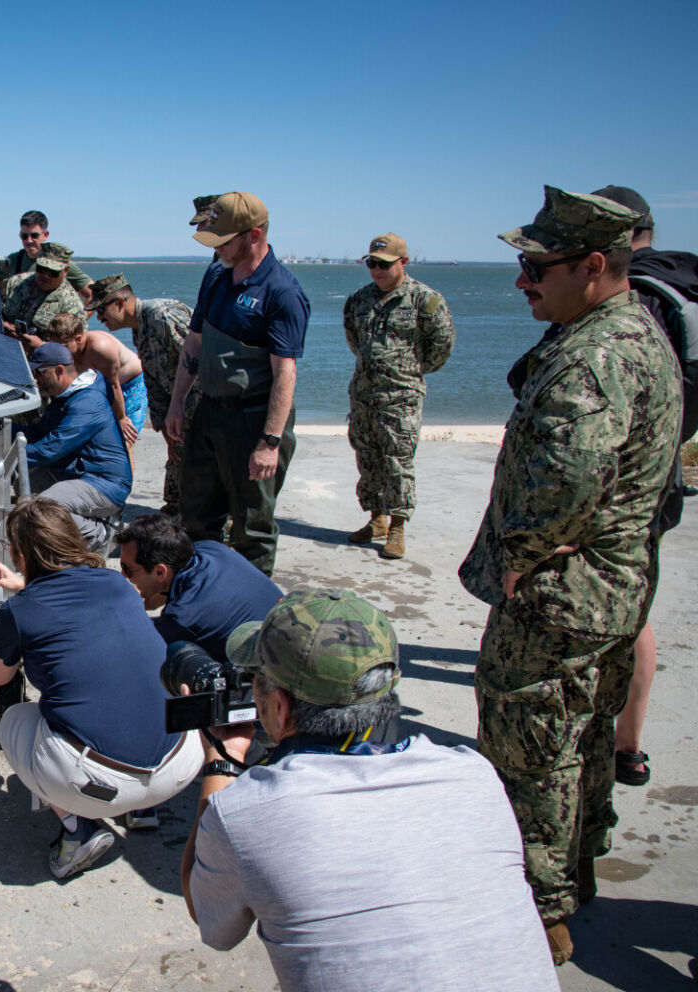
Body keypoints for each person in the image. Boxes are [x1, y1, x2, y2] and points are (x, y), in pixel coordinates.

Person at [458, 186, 680, 966]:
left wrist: (522, 557)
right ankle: (570, 882)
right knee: (580, 745)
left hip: (560, 602)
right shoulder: (630, 331)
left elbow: (568, 474)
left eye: (535, 266)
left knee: (528, 752)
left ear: (593, 265)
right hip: (611, 591)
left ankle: (535, 917)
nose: (522, 281)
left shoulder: (592, 355)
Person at [182, 590, 558, 991]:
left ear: (280, 707)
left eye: (257, 680)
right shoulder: (476, 775)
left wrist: (223, 760)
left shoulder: (248, 812)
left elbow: (211, 922)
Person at [0, 496, 202, 878]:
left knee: (14, 721)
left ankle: (78, 831)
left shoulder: (20, 610)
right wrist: (22, 584)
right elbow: (71, 598)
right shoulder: (120, 584)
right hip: (182, 763)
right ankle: (141, 809)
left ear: (19, 554)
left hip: (103, 781)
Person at [591, 184, 698, 789]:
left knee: (626, 619)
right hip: (662, 476)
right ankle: (629, 744)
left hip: (616, 494)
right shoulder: (680, 291)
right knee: (638, 610)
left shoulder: (635, 303)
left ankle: (618, 743)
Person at [164, 192, 309, 578]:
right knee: (195, 513)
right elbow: (194, 343)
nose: (217, 248)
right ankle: (199, 592)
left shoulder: (282, 292)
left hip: (254, 419)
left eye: (224, 240)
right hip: (210, 412)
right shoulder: (216, 275)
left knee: (252, 526)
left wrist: (270, 442)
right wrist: (178, 403)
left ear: (254, 235)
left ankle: (246, 614)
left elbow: (285, 375)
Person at [342, 232, 455, 560]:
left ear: (404, 262)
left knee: (398, 462)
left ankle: (397, 527)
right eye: (371, 263)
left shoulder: (425, 301)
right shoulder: (359, 300)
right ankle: (376, 518)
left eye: (384, 264)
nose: (376, 270)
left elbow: (441, 348)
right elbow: (354, 340)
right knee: (367, 457)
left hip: (401, 396)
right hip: (364, 394)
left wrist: (407, 372)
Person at [115, 514, 281, 683]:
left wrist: (130, 606)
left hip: (270, 679)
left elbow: (128, 643)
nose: (123, 576)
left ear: (160, 572)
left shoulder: (182, 618)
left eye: (128, 570)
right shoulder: (211, 549)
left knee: (171, 657)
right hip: (287, 634)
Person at [90, 273, 193, 517]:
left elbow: (201, 363)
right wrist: (166, 430)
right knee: (176, 494)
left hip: (201, 418)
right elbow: (155, 381)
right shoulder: (141, 329)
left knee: (205, 488)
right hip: (180, 421)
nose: (99, 317)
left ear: (120, 303)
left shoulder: (162, 315)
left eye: (102, 310)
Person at [18, 342, 132, 547]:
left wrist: (15, 453)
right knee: (26, 483)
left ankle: (100, 533)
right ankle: (42, 537)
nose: (36, 380)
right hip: (78, 473)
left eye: (39, 373)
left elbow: (54, 446)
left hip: (105, 483)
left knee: (45, 507)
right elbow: (38, 432)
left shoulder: (87, 402)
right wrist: (4, 429)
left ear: (59, 370)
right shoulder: (63, 398)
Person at [42, 312, 144, 449]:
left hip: (130, 385)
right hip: (100, 387)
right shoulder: (67, 351)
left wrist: (121, 418)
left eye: (63, 346)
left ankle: (127, 468)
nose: (58, 351)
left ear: (78, 339)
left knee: (123, 441)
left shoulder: (100, 348)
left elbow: (114, 385)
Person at [0, 209, 93, 301]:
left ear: (45, 235)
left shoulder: (59, 263)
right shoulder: (13, 261)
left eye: (34, 235)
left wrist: (75, 320)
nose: (29, 240)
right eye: (24, 236)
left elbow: (93, 294)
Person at [2, 242, 87, 348]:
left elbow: (76, 347)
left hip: (40, 361)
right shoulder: (16, 283)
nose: (45, 276)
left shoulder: (71, 304)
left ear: (65, 271)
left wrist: (41, 346)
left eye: (52, 272)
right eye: (41, 269)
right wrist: (3, 325)